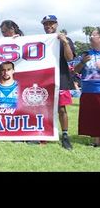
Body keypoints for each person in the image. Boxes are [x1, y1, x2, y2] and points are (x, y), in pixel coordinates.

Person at [41, 14, 75, 150]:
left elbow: (69, 58)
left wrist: (65, 41)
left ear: (56, 24)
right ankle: (44, 134)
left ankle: (65, 135)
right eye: (45, 24)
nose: (48, 26)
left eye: (51, 23)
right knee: (43, 107)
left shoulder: (65, 39)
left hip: (60, 77)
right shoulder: (42, 40)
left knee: (61, 108)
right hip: (44, 79)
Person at [74, 27, 100, 147]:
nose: (90, 39)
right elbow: (75, 70)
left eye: (92, 36)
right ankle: (96, 141)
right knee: (92, 116)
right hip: (88, 91)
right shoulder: (85, 54)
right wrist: (82, 62)